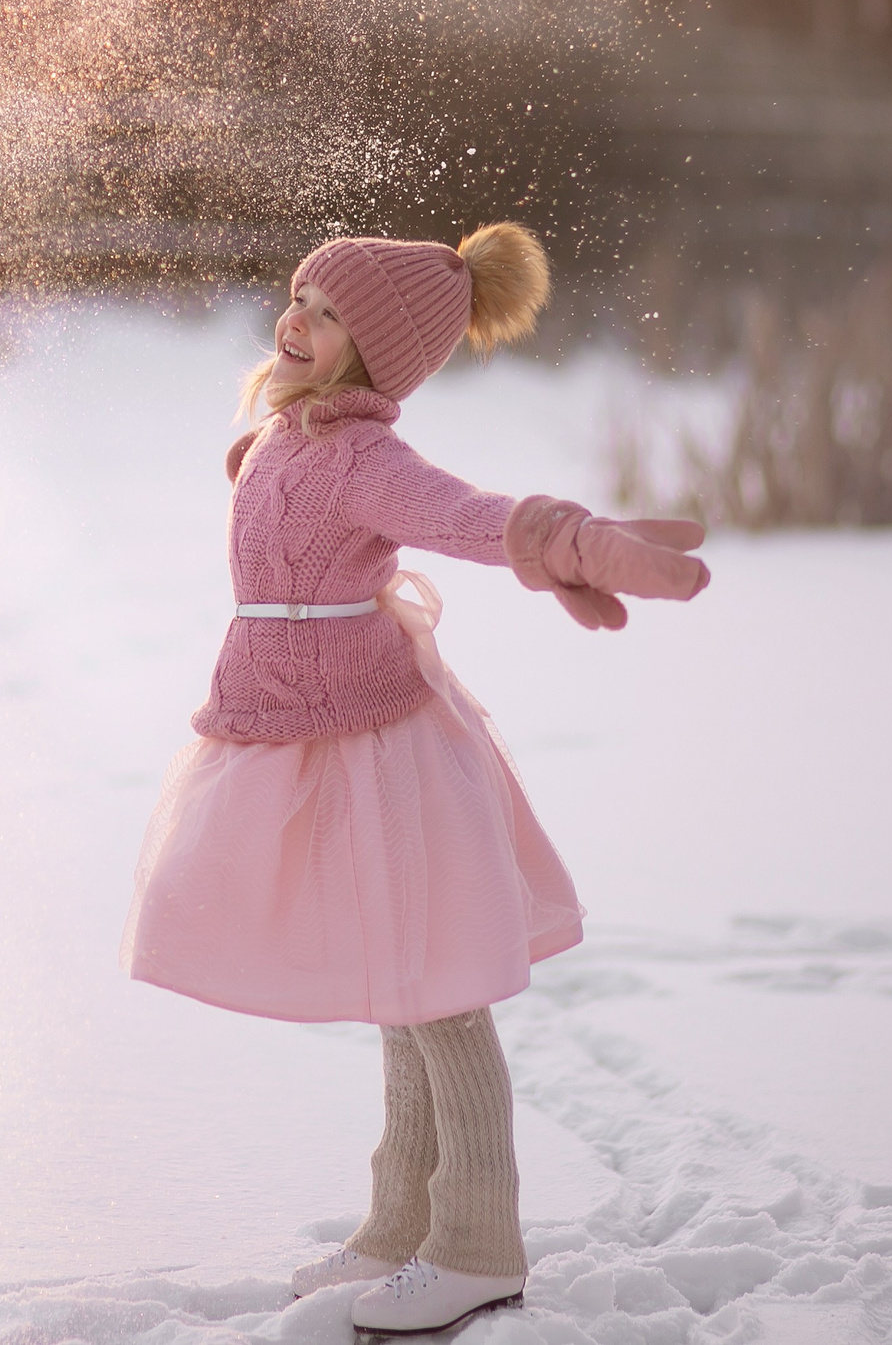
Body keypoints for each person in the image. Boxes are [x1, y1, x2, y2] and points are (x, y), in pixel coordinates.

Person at [123, 224, 710, 1334]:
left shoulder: (362, 457)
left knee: (436, 995)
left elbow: (465, 516)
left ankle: (477, 1242)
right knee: (398, 989)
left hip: (382, 752)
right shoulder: (286, 435)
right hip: (306, 728)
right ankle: (400, 1221)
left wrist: (565, 540)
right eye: (300, 296)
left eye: (330, 313)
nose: (298, 319)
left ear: (377, 352)